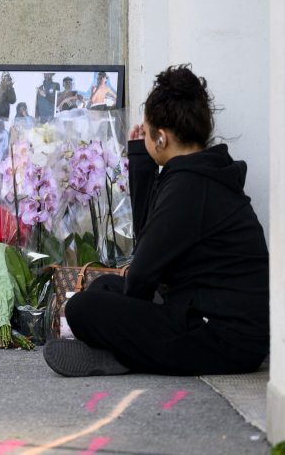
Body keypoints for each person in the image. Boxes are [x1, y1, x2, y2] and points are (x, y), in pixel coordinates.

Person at [44, 65, 269, 377]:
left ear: (161, 138)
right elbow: (148, 246)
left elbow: (143, 274)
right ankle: (127, 352)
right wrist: (141, 162)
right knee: (105, 286)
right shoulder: (200, 174)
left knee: (83, 309)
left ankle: (125, 354)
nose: (144, 136)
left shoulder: (187, 186)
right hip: (210, 318)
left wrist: (120, 321)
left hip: (225, 340)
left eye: (147, 132)